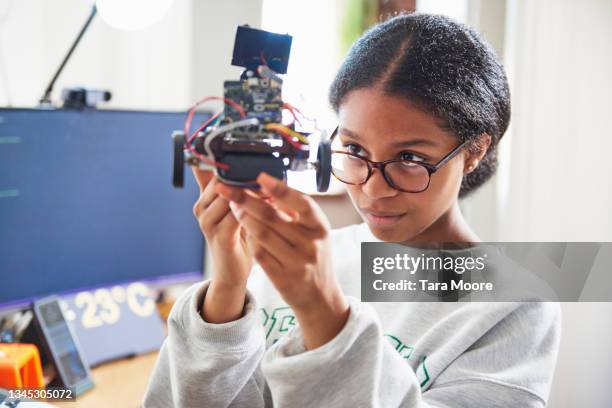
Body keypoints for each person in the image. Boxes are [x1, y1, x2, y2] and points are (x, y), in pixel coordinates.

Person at [143, 12, 560, 408]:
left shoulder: (516, 305)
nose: (374, 189)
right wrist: (228, 289)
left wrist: (324, 313)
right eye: (356, 150)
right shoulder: (299, 262)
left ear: (473, 151)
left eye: (410, 158)